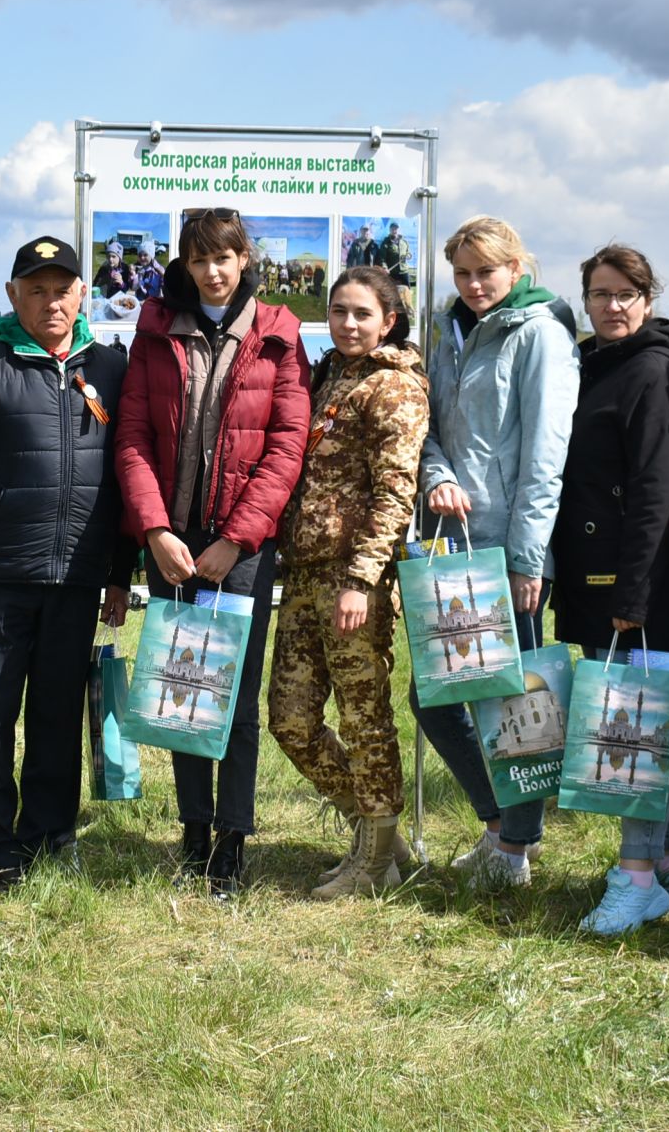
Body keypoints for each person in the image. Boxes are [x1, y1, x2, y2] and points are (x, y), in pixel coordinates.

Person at [113, 207, 310, 900]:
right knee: (182, 692)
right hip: (172, 542)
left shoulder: (279, 333)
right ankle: (193, 829)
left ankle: (232, 839)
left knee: (235, 696)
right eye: (200, 260)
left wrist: (237, 539)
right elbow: (133, 436)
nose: (214, 271)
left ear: (245, 257)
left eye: (224, 257)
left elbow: (288, 448)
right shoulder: (156, 327)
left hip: (241, 546)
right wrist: (156, 531)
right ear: (186, 266)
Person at [0, 237, 135, 889]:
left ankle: (49, 838)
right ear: (14, 294)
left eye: (62, 288)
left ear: (81, 294)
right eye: (36, 289)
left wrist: (119, 574)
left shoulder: (111, 367)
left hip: (76, 579)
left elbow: (127, 477)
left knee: (55, 717)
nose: (51, 301)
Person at [415, 215, 579, 891]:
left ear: (518, 269)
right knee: (439, 698)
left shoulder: (540, 332)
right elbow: (423, 427)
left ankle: (513, 851)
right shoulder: (445, 331)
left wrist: (527, 557)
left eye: (487, 270)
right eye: (463, 272)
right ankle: (501, 826)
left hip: (509, 547)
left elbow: (547, 453)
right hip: (450, 546)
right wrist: (437, 476)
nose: (475, 284)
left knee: (513, 707)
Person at [550, 244, 669, 935]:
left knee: (636, 724)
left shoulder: (655, 369)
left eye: (627, 292)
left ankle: (634, 880)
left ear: (648, 297)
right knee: (652, 717)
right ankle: (667, 862)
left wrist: (634, 597)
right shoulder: (590, 361)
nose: (613, 305)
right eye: (601, 292)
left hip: (645, 577)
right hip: (599, 572)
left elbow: (655, 492)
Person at [266, 266, 428, 898]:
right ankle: (377, 831)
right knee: (291, 720)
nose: (348, 323)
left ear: (388, 320)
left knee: (364, 719)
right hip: (305, 575)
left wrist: (362, 578)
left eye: (362, 313)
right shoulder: (328, 373)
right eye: (338, 311)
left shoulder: (393, 388)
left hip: (353, 581)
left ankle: (375, 861)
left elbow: (395, 494)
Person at [379, 221, 414, 287]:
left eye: (396, 229)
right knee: (391, 292)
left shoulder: (404, 241)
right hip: (392, 272)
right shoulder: (386, 242)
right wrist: (385, 268)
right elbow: (382, 258)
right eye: (392, 229)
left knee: (407, 291)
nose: (394, 231)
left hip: (404, 271)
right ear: (390, 230)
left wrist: (408, 255)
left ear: (398, 230)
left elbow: (408, 252)